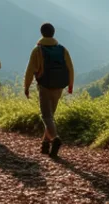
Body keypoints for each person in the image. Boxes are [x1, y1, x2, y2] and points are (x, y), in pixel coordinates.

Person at [23, 22, 74, 157]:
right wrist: (70, 85)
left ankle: (55, 138)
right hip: (59, 86)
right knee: (50, 116)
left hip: (45, 86)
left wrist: (26, 87)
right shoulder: (62, 49)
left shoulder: (38, 50)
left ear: (42, 33)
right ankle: (45, 145)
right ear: (53, 33)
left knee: (46, 116)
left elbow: (30, 71)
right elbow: (70, 68)